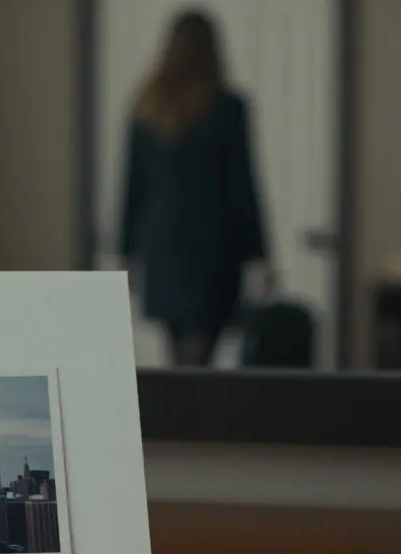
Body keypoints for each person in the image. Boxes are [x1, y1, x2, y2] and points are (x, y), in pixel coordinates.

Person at [118, 9, 274, 367]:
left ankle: (183, 416)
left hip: (163, 246)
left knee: (180, 352)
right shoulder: (229, 109)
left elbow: (132, 188)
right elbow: (243, 188)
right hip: (215, 249)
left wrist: (126, 254)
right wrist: (261, 255)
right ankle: (193, 417)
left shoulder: (147, 109)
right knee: (202, 355)